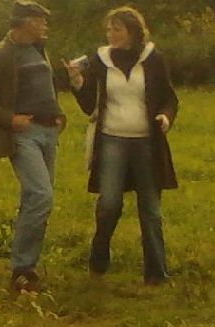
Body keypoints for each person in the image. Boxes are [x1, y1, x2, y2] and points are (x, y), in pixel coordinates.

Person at [70, 7, 179, 284]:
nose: (111, 34)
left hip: (147, 142)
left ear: (133, 31)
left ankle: (156, 273)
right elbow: (89, 106)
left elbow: (169, 98)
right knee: (109, 202)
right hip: (111, 139)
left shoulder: (153, 59)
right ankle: (99, 255)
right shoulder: (99, 60)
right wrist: (78, 83)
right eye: (109, 29)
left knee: (151, 209)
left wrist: (166, 116)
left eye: (117, 29)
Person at [0, 1, 59, 293]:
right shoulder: (0, 55)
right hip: (23, 134)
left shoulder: (39, 48)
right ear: (24, 23)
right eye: (40, 20)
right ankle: (21, 269)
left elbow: (43, 87)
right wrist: (10, 119)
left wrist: (58, 114)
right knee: (40, 194)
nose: (45, 26)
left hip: (48, 131)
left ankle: (27, 269)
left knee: (37, 200)